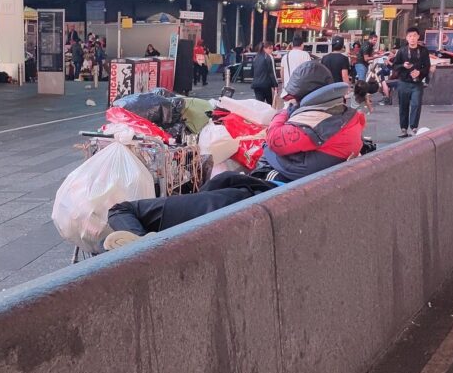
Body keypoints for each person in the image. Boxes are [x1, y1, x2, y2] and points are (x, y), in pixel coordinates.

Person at [102, 61, 366, 250]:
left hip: (257, 197)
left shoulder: (310, 127)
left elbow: (274, 140)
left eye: (293, 101)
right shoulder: (347, 125)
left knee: (122, 209)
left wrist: (284, 113)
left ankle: (143, 251)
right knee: (219, 181)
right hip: (270, 195)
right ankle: (148, 240)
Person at [392, 27, 431, 138]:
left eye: (414, 36)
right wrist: (403, 65)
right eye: (410, 36)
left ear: (418, 37)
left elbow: (427, 66)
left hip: (417, 83)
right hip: (403, 82)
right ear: (406, 38)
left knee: (416, 104)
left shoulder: (423, 51)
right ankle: (403, 129)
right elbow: (395, 66)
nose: (412, 38)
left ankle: (414, 127)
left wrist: (419, 72)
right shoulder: (402, 51)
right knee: (403, 106)